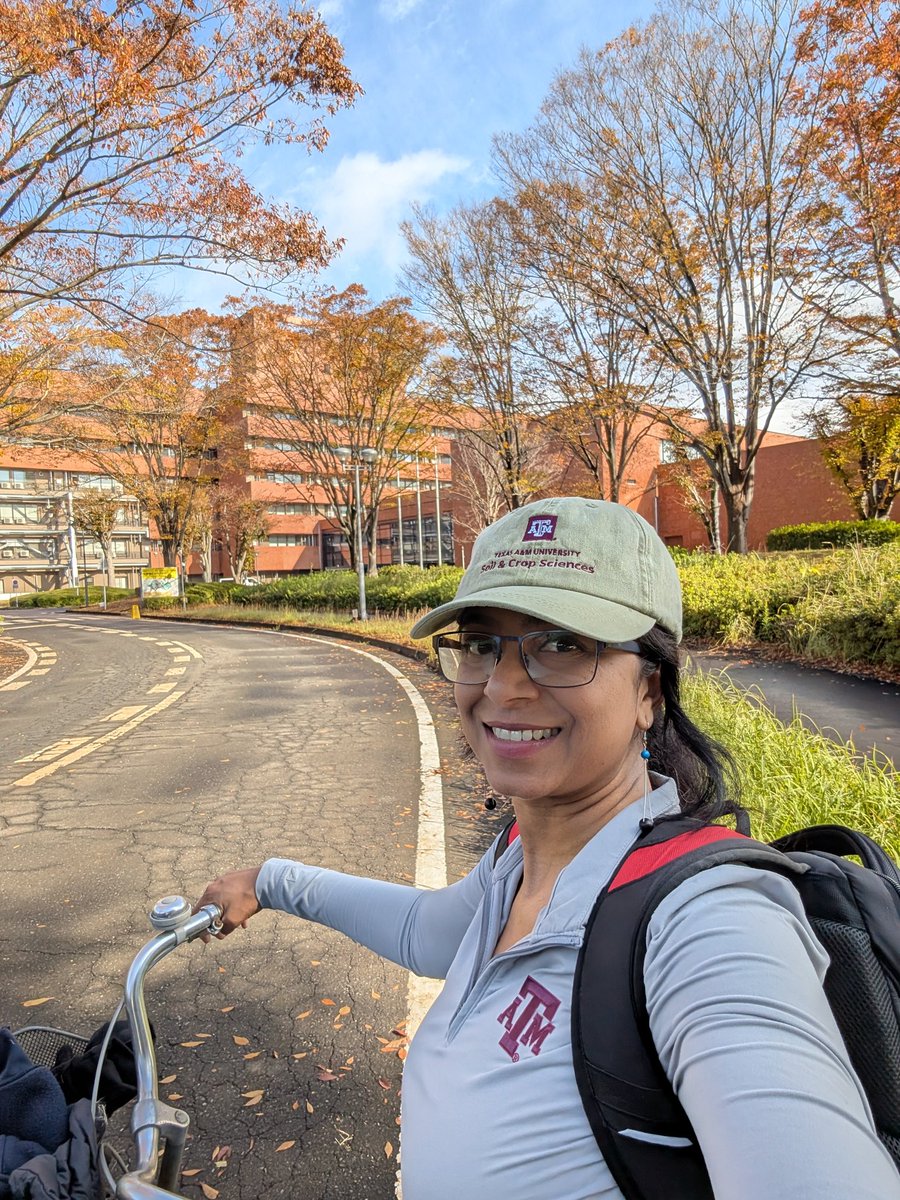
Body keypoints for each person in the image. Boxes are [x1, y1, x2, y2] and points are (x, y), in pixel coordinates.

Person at [195, 496, 900, 1200]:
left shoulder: (709, 923)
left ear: (649, 691)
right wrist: (271, 880)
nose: (503, 687)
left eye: (563, 644)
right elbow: (428, 933)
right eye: (481, 644)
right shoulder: (517, 859)